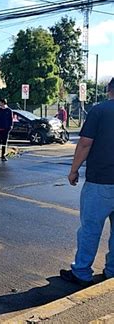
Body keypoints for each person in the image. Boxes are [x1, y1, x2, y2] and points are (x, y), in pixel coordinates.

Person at [60, 78, 114, 287]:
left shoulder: (99, 110)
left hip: (100, 182)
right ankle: (112, 271)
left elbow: (84, 143)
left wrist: (73, 170)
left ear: (109, 89)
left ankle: (82, 272)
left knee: (90, 229)